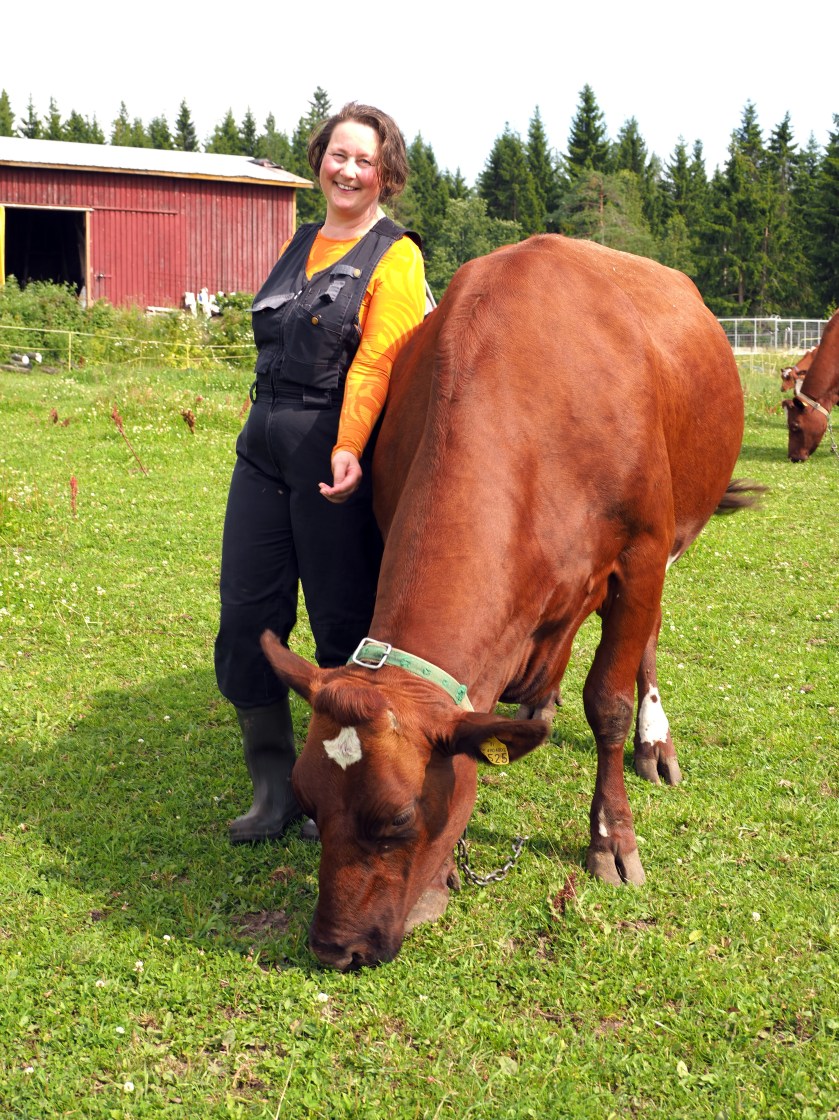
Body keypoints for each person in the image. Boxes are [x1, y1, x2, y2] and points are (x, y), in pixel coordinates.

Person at [214, 102, 427, 844]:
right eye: (339, 155)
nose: (348, 169)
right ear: (319, 160)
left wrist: (348, 445)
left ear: (385, 173)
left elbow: (376, 362)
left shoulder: (395, 255)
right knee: (246, 614)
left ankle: (334, 778)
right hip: (260, 446)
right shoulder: (300, 239)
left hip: (331, 454)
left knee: (340, 628)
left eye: (365, 160)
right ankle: (271, 791)